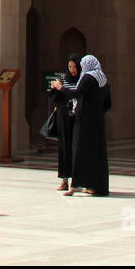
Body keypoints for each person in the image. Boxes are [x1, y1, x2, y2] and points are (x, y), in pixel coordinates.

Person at [49, 54, 110, 195]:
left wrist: (60, 87)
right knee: (95, 154)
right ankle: (95, 186)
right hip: (97, 122)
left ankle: (76, 185)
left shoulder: (88, 77)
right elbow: (108, 103)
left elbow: (75, 93)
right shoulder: (103, 79)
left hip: (83, 120)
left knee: (79, 151)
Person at [46, 55, 81, 190]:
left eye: (74, 67)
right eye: (70, 67)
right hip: (64, 118)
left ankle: (77, 180)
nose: (72, 70)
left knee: (76, 149)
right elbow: (54, 96)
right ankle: (64, 179)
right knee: (64, 148)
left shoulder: (83, 79)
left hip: (77, 118)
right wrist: (55, 88)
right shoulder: (63, 79)